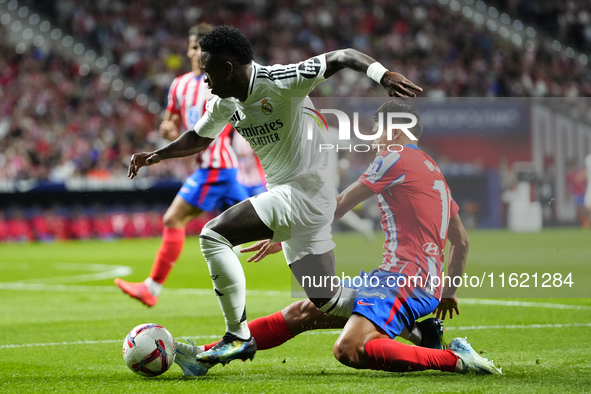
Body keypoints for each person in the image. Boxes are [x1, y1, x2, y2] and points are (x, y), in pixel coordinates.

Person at [126, 25, 423, 370]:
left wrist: (382, 74)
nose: (203, 80)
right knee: (326, 299)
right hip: (289, 194)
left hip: (307, 190)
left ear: (226, 69)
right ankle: (413, 318)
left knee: (213, 235)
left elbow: (343, 56)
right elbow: (198, 137)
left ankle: (237, 336)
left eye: (207, 72)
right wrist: (156, 155)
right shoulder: (223, 101)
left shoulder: (282, 80)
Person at [172, 101, 501, 376]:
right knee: (304, 311)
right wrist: (447, 292)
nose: (374, 141)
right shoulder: (434, 170)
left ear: (397, 130)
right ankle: (205, 356)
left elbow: (339, 205)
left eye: (377, 131)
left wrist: (283, 233)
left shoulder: (394, 157)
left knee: (349, 349)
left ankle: (455, 359)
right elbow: (461, 241)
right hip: (405, 279)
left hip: (404, 280)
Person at [115, 23, 247, 307]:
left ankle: (151, 287)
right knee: (270, 225)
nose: (197, 52)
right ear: (188, 49)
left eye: (202, 47)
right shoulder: (179, 85)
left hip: (216, 166)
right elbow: (174, 125)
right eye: (193, 47)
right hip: (214, 167)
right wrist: (167, 130)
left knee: (172, 219)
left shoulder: (220, 83)